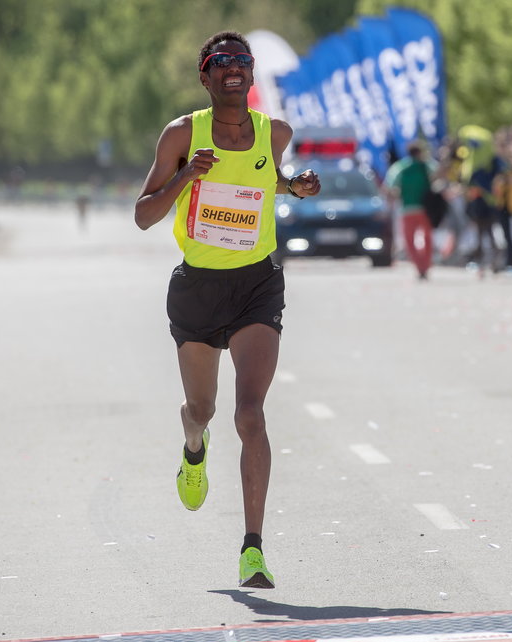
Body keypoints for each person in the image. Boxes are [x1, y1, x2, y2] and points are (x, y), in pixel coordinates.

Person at [133, 30, 320, 589]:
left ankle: (253, 549)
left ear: (252, 74)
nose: (233, 68)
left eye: (243, 61)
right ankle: (194, 448)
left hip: (257, 285)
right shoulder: (182, 134)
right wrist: (188, 174)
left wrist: (295, 187)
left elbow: (263, 182)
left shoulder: (275, 133)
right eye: (222, 62)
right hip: (197, 287)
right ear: (206, 75)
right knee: (203, 409)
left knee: (250, 413)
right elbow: (144, 214)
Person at [385, 141, 435, 279]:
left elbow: (390, 186)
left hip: (407, 209)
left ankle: (420, 267)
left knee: (409, 241)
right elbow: (438, 175)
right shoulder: (426, 165)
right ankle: (426, 264)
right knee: (428, 238)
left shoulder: (400, 167)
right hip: (425, 208)